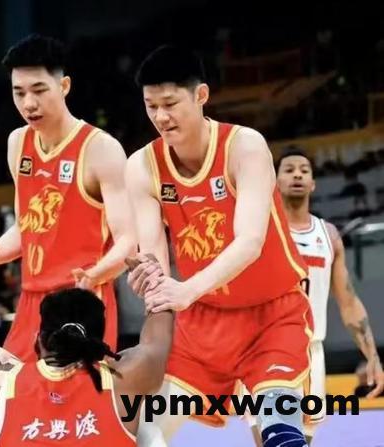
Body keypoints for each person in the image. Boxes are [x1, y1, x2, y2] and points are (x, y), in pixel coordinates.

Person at [125, 45, 312, 447]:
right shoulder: (141, 165)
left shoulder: (244, 146)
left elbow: (250, 242)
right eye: (151, 106)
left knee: (281, 436)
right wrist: (150, 279)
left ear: (201, 95)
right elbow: (154, 254)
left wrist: (185, 290)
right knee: (141, 434)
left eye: (170, 104)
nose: (160, 117)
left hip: (271, 316)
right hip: (201, 324)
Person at [0, 34, 136, 361]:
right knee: (10, 389)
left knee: (75, 393)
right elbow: (26, 228)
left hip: (82, 301)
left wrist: (95, 276)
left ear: (64, 86)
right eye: (19, 92)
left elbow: (129, 241)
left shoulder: (100, 149)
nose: (28, 103)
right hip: (31, 301)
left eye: (39, 90)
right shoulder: (18, 143)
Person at [0, 253, 174, 446]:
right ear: (99, 344)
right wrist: (152, 279)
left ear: (38, 339)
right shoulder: (128, 379)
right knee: (149, 434)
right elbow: (157, 339)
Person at [241, 148, 383, 445]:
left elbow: (348, 302)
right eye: (289, 169)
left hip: (312, 353)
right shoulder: (257, 231)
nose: (297, 175)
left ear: (313, 183)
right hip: (266, 351)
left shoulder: (328, 235)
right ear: (275, 181)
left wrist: (372, 355)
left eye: (304, 170)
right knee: (274, 439)